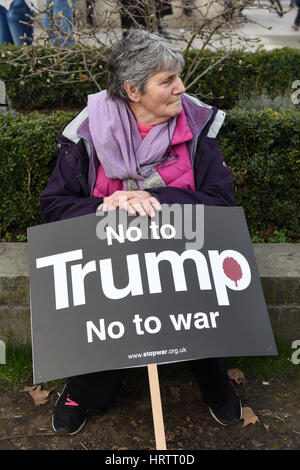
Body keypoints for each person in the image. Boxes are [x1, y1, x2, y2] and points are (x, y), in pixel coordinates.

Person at [40, 29, 243, 436]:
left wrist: (158, 200)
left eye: (179, 77)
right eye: (168, 81)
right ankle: (87, 384)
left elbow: (221, 203)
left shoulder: (197, 124)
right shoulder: (85, 131)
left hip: (183, 259)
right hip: (108, 267)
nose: (180, 88)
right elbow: (55, 208)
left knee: (201, 314)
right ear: (133, 89)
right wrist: (106, 205)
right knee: (101, 358)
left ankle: (212, 372)